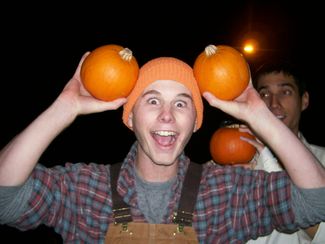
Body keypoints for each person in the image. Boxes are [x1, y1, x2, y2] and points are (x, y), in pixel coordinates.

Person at [0, 52, 325, 243]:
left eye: (182, 104)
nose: (167, 115)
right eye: (152, 101)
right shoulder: (84, 189)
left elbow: (316, 201)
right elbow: (4, 199)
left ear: (195, 121)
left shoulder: (227, 191)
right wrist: (64, 108)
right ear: (130, 117)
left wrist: (259, 116)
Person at [242, 60, 325, 243]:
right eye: (264, 94)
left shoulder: (323, 162)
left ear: (304, 100)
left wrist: (274, 170)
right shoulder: (234, 161)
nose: (273, 103)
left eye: (285, 92)